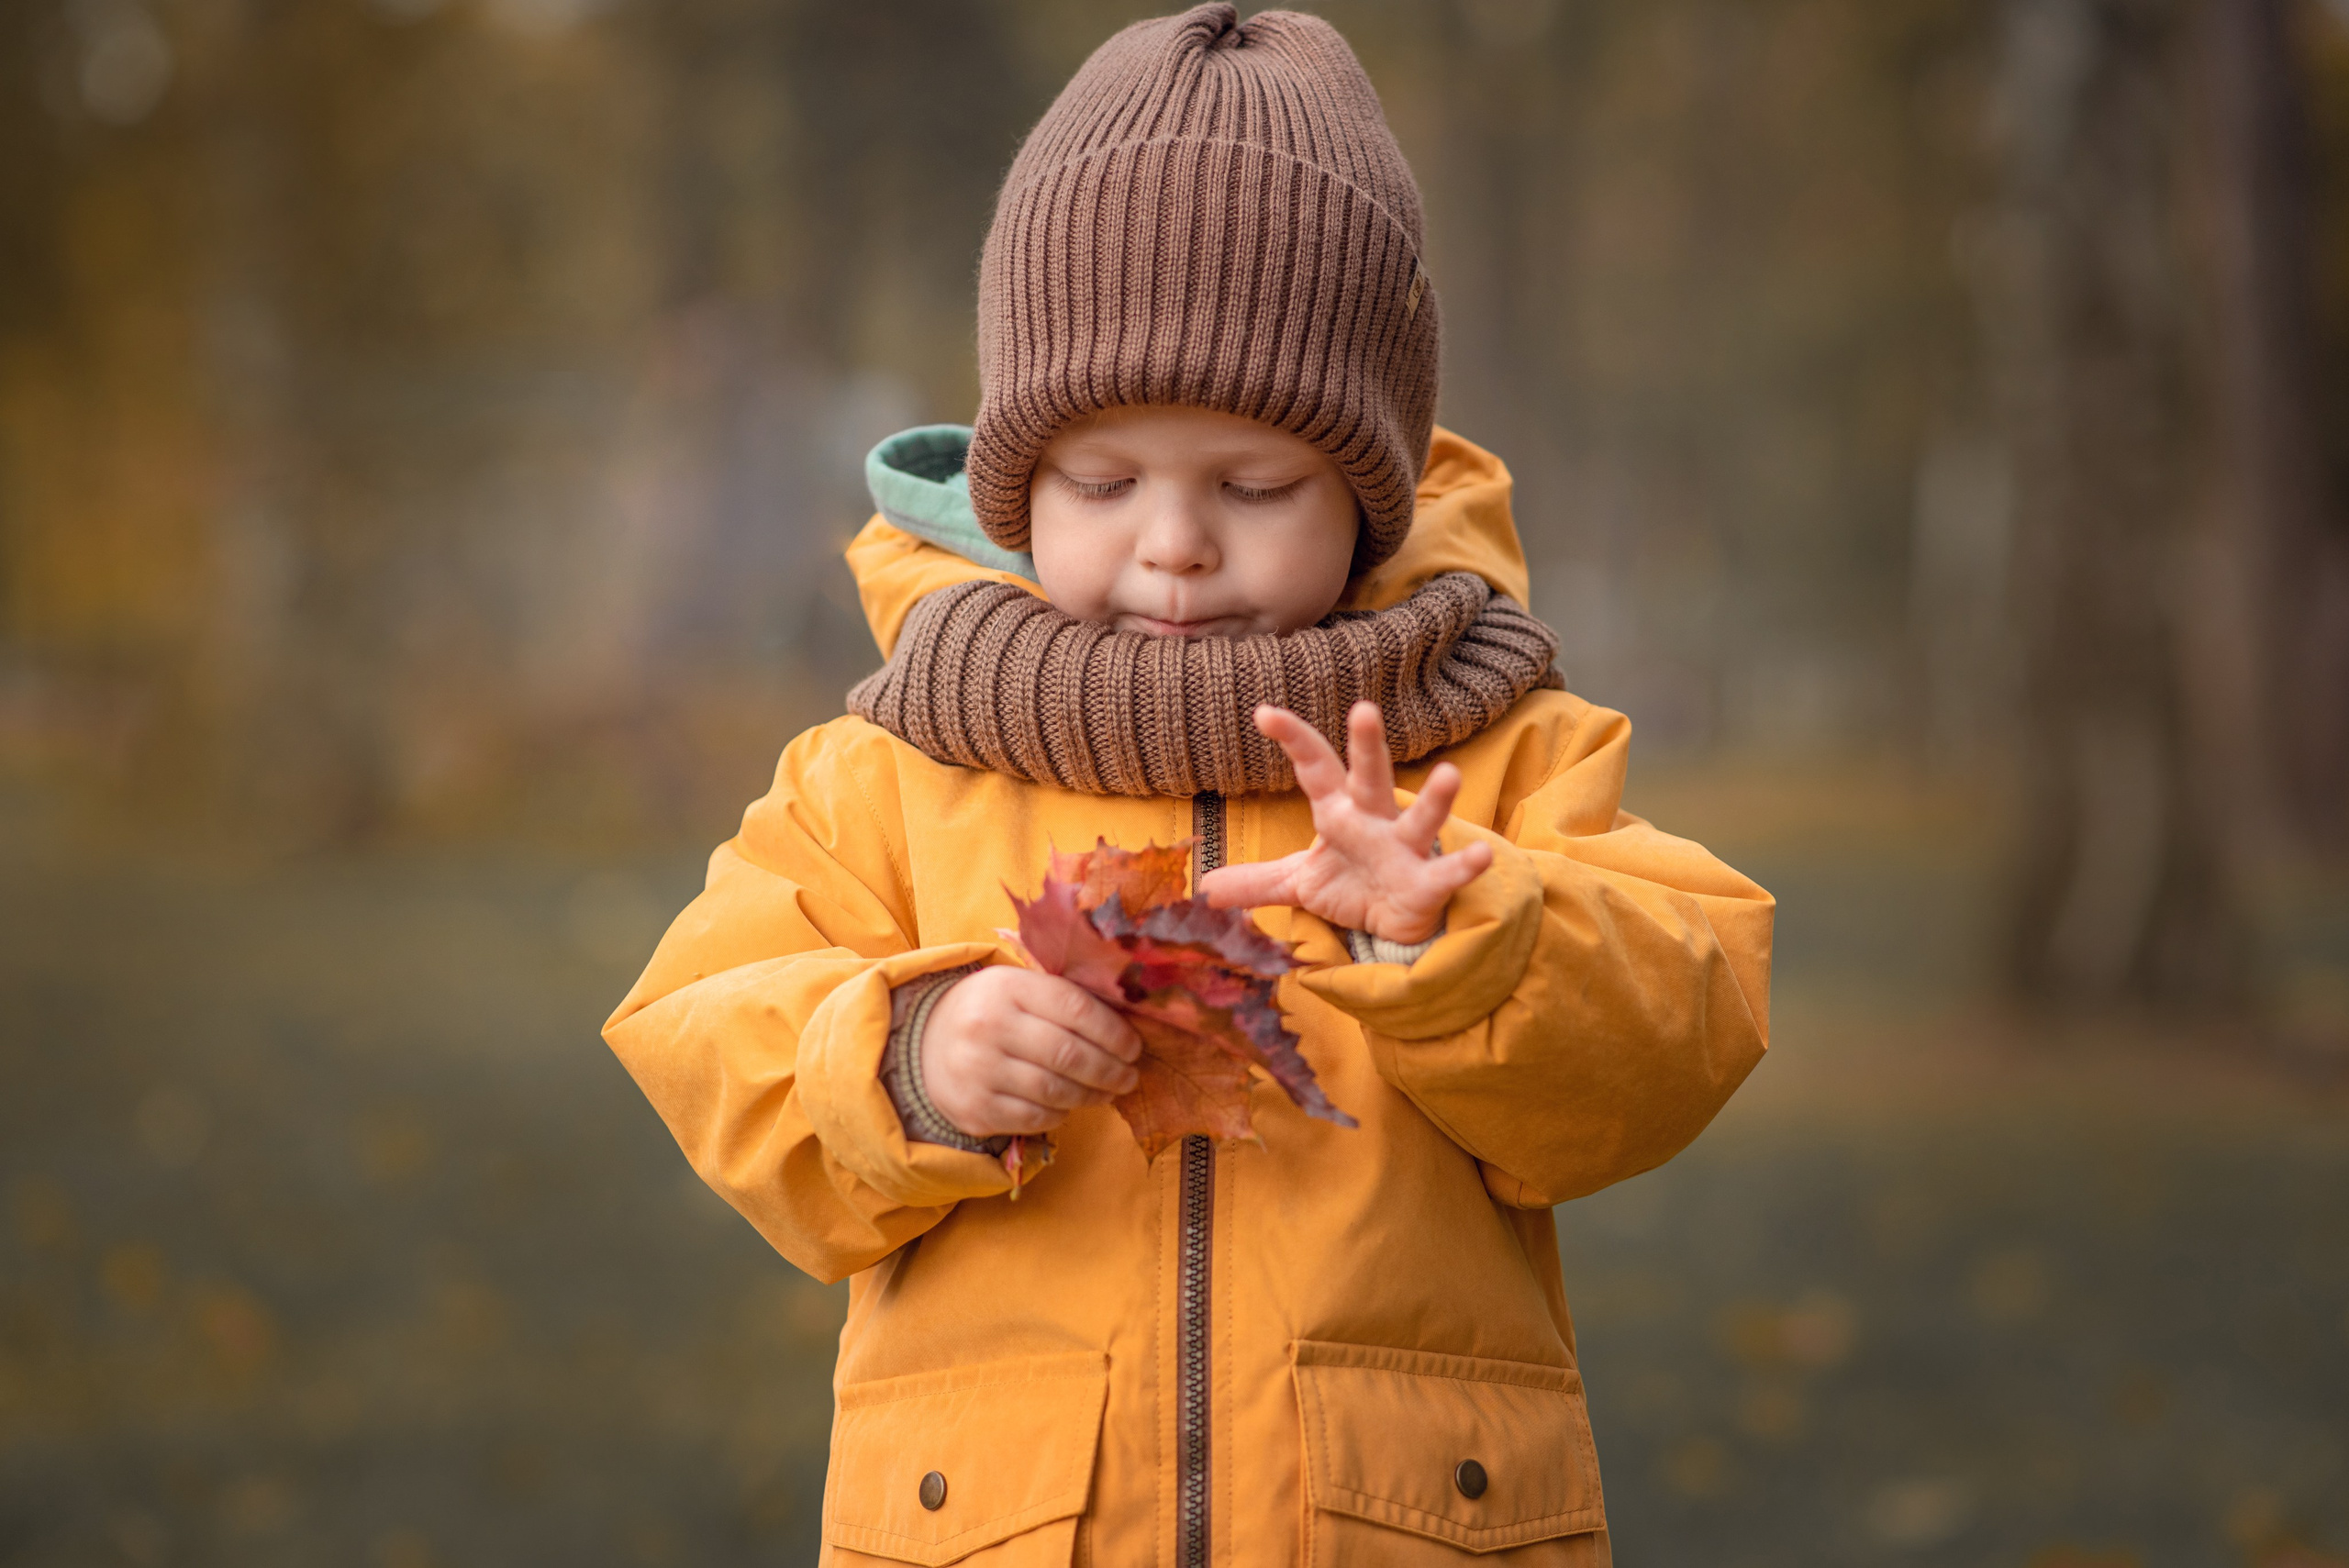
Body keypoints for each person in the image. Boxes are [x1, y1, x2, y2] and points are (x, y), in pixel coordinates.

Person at [604, 7, 1773, 1564]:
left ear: (1369, 491)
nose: (1173, 545)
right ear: (1014, 492)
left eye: (1256, 485)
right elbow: (702, 1028)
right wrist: (910, 1056)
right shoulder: (900, 760)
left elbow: (1682, 1022)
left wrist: (1464, 932)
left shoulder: (1477, 747)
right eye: (1102, 482)